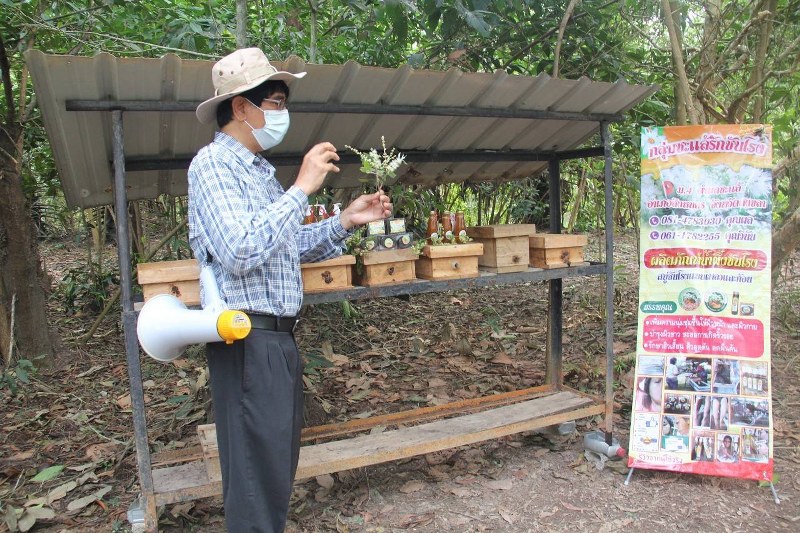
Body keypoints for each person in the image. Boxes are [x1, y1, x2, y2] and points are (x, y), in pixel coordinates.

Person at [188, 48, 393, 532]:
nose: (283, 113)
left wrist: (345, 221)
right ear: (241, 107)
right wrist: (301, 188)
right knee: (254, 477)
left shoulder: (256, 172)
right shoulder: (213, 166)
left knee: (273, 468)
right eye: (275, 102)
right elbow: (240, 250)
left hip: (276, 340)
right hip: (245, 339)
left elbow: (281, 247)